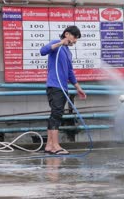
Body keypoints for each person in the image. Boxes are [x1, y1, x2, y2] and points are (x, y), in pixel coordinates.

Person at [40, 26, 86, 155]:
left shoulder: (68, 52)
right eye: (74, 37)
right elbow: (42, 51)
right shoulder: (56, 44)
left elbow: (70, 72)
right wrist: (60, 43)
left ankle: (49, 146)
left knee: (56, 114)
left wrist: (78, 88)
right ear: (67, 34)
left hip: (63, 87)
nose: (75, 41)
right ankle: (55, 146)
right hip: (55, 86)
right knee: (56, 115)